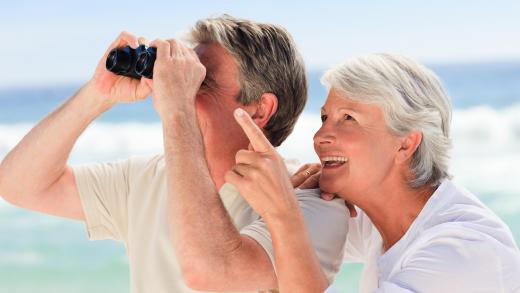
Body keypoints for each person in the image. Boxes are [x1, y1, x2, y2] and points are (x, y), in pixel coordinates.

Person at [0, 15, 349, 292]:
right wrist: (98, 93)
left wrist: (178, 107)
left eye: (201, 82)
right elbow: (18, 185)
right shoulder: (148, 180)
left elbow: (209, 271)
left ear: (260, 110)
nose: (178, 89)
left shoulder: (308, 202)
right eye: (184, 78)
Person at [227, 53, 520, 292]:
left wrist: (283, 214)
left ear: (405, 144)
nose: (320, 137)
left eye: (348, 118)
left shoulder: (463, 250)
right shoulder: (379, 221)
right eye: (325, 117)